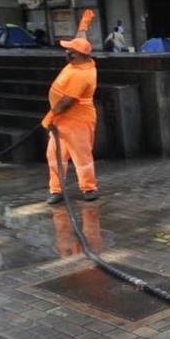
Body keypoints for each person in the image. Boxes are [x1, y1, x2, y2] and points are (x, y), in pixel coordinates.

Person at [41, 12, 99, 205]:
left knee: (81, 156)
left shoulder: (83, 75)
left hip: (77, 121)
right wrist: (83, 26)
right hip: (62, 119)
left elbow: (67, 101)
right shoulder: (80, 61)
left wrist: (50, 116)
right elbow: (81, 41)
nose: (67, 52)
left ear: (79, 54)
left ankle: (89, 188)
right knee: (54, 155)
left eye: (70, 51)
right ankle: (56, 190)